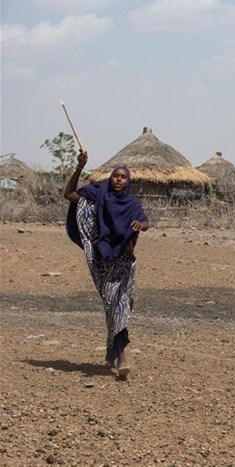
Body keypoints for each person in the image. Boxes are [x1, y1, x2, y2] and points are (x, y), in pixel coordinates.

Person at [64, 150, 149, 378]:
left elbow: (145, 221)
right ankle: (121, 357)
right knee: (114, 306)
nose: (119, 179)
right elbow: (70, 194)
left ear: (128, 180)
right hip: (102, 262)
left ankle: (113, 350)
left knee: (120, 305)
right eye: (115, 176)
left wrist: (140, 226)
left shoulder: (132, 203)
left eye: (123, 176)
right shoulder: (97, 197)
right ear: (110, 178)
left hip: (124, 263)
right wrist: (80, 168)